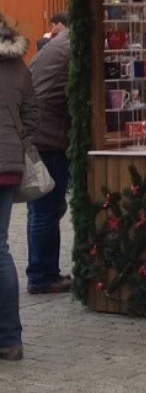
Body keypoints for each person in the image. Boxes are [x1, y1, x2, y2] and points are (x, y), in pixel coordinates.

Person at [0, 13, 40, 362]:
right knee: (1, 251)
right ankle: (10, 339)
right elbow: (32, 113)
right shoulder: (17, 63)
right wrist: (18, 142)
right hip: (9, 166)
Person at [27, 19, 73, 294]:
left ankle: (41, 271)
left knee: (39, 208)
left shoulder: (58, 45)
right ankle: (42, 275)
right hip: (48, 137)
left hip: (37, 133)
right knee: (47, 208)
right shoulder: (73, 48)